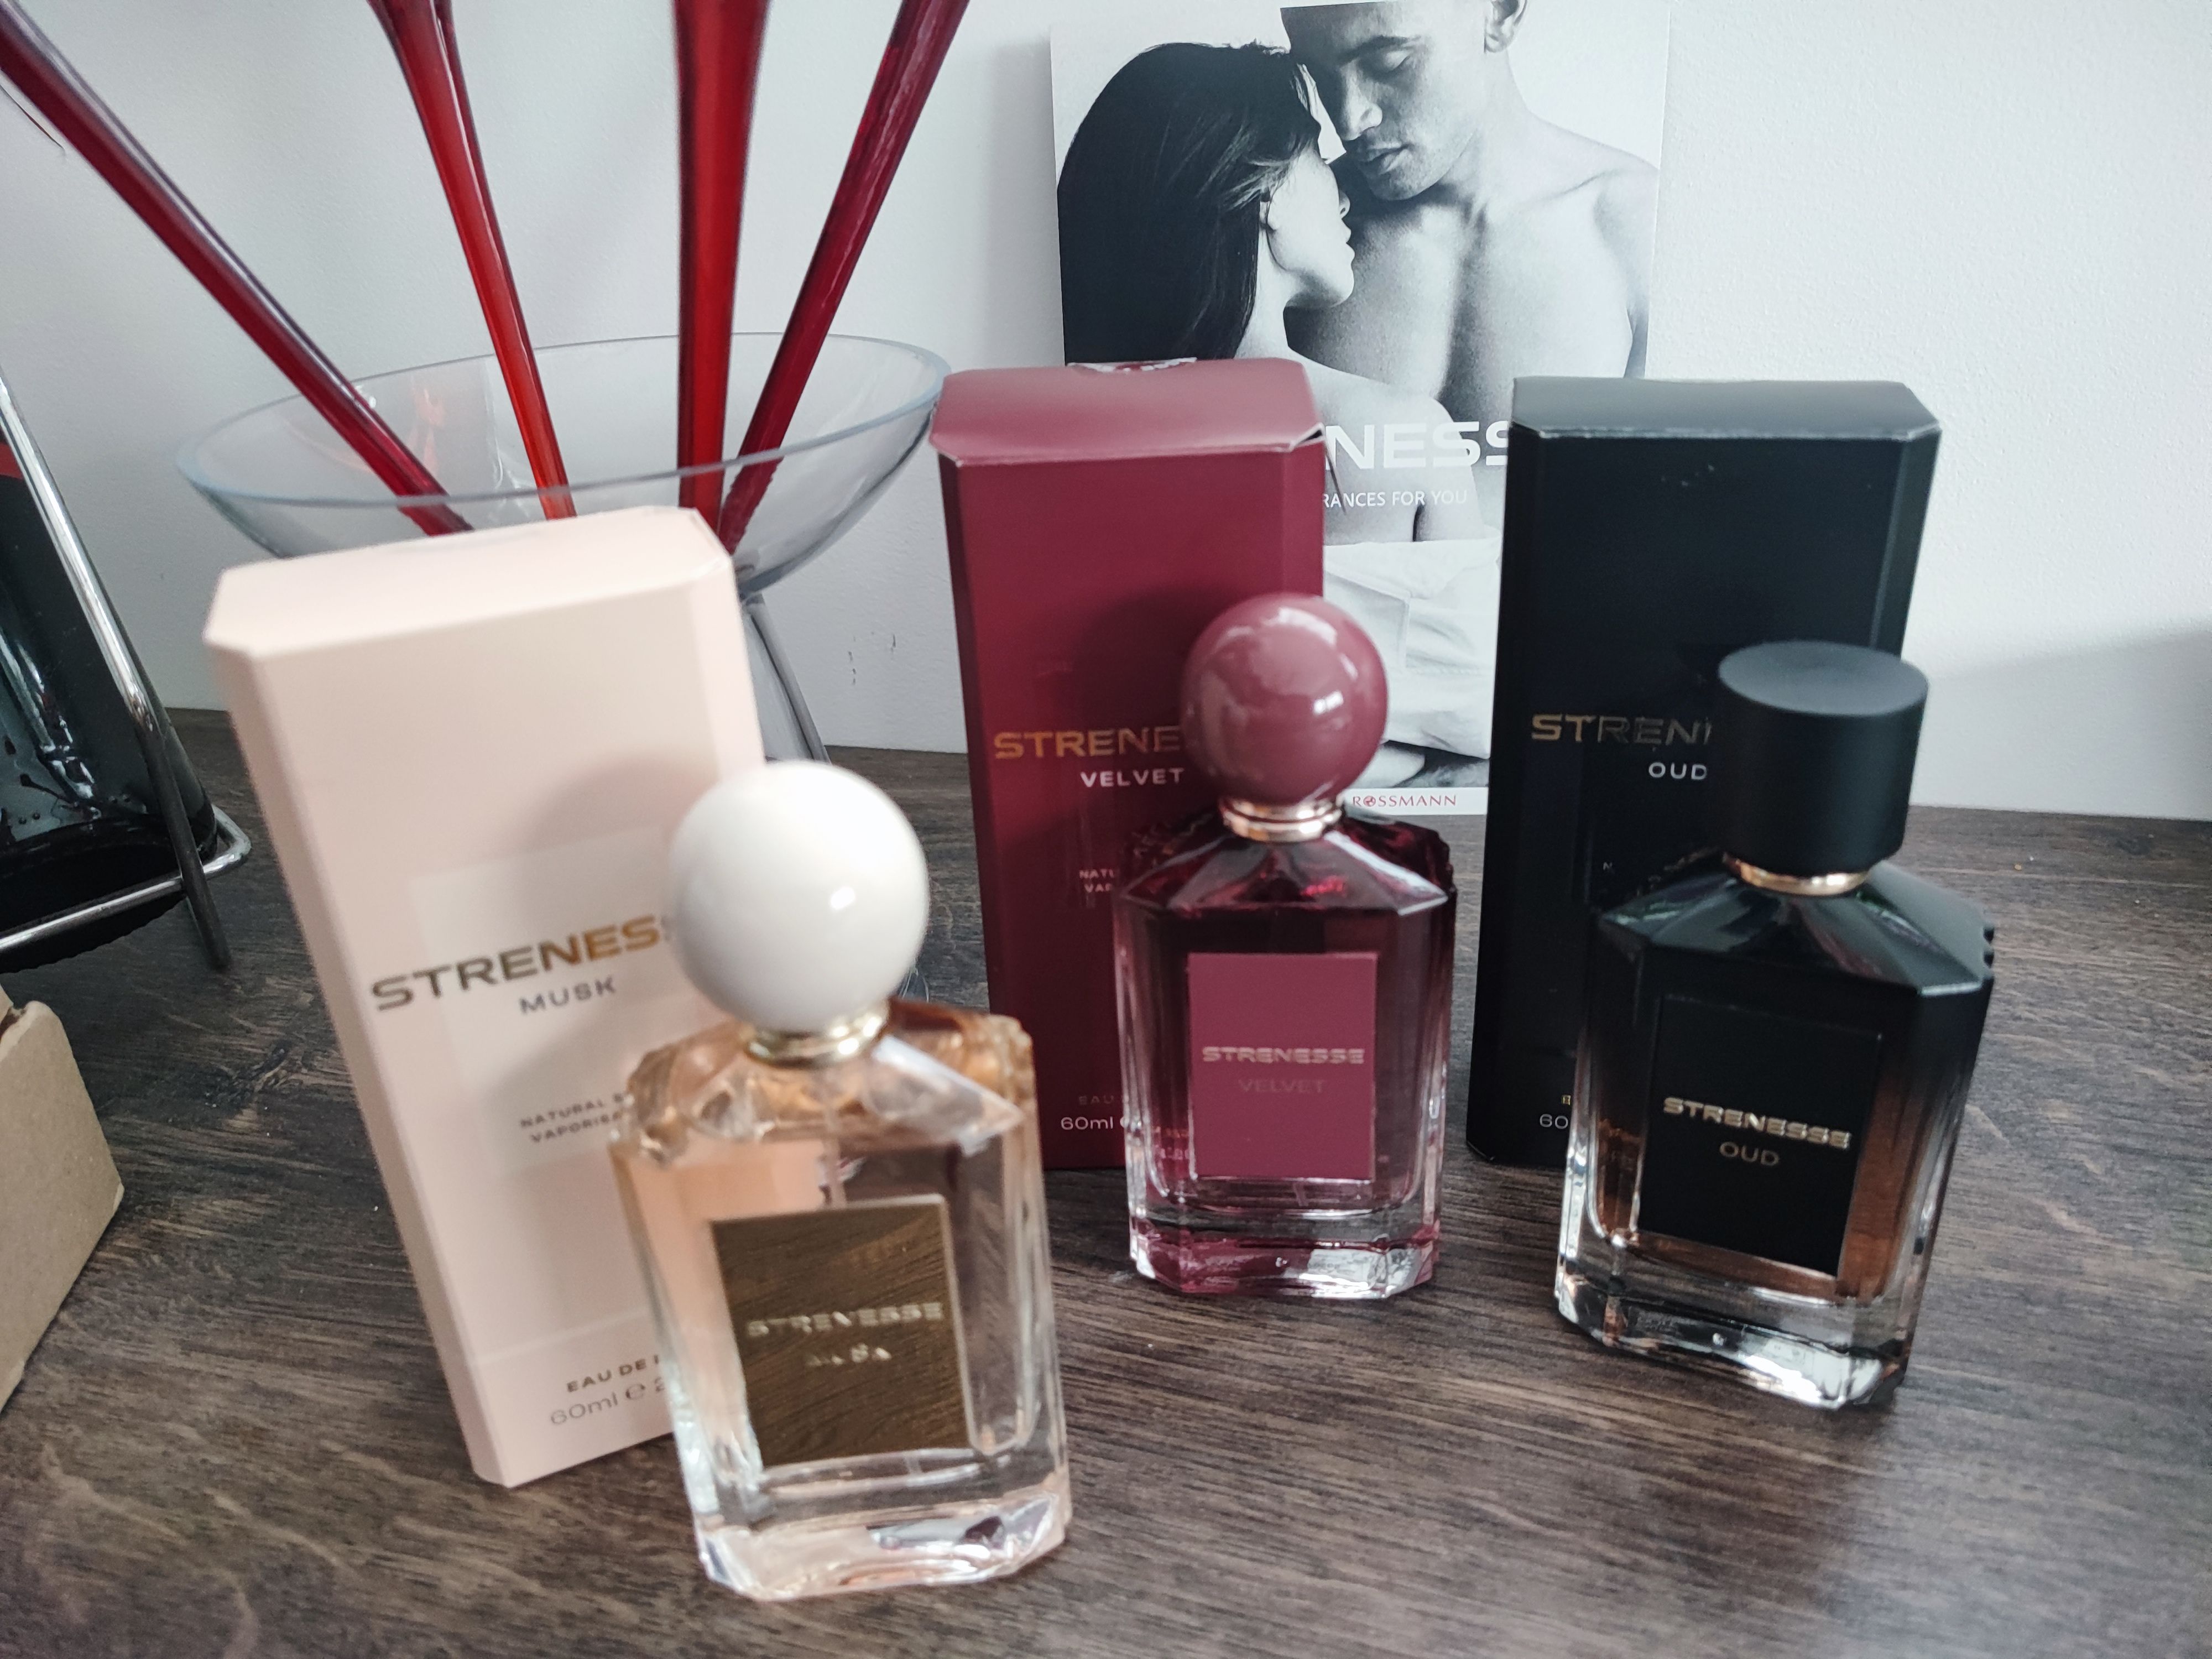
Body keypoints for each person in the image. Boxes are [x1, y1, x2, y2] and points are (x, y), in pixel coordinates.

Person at [1058, 43, 1483, 546]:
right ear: (1267, 192)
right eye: (1318, 155)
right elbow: (1466, 602)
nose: (1345, 198)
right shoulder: (1410, 437)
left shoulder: (1074, 441)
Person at [1282, 0, 1657, 507]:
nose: (1349, 120)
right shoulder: (1288, 236)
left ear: (1499, 12)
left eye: (1389, 62)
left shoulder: (1635, 227)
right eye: (1318, 76)